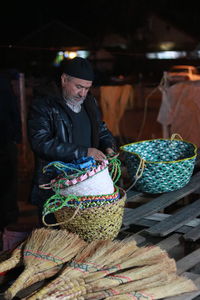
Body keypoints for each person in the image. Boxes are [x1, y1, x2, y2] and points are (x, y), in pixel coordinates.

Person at [27, 57, 117, 224]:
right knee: (57, 235)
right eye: (78, 87)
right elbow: (40, 142)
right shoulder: (44, 105)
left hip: (87, 185)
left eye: (87, 88)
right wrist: (84, 152)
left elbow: (101, 130)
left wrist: (109, 147)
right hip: (55, 187)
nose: (83, 93)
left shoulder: (89, 102)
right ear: (64, 80)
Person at [0, 70, 22, 235]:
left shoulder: (3, 81)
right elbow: (13, 110)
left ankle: (7, 221)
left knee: (8, 181)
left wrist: (15, 136)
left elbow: (13, 110)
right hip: (6, 138)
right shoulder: (3, 81)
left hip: (5, 139)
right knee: (8, 181)